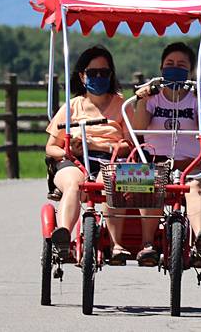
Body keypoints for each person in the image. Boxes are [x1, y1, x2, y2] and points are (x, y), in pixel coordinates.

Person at [132, 42, 201, 267]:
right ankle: (148, 244)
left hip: (192, 166)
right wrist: (141, 100)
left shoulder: (197, 98)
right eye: (169, 64)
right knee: (150, 184)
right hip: (155, 163)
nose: (174, 68)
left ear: (190, 72)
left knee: (194, 187)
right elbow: (139, 128)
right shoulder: (153, 97)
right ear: (161, 68)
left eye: (181, 65)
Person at [45, 45, 132, 264]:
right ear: (83, 77)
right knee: (74, 183)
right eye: (93, 73)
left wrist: (107, 147)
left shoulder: (122, 106)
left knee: (111, 181)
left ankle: (117, 244)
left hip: (110, 159)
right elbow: (50, 147)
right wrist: (67, 150)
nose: (99, 77)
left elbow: (131, 145)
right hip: (75, 160)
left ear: (111, 75)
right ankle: (63, 236)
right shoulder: (72, 106)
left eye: (104, 72)